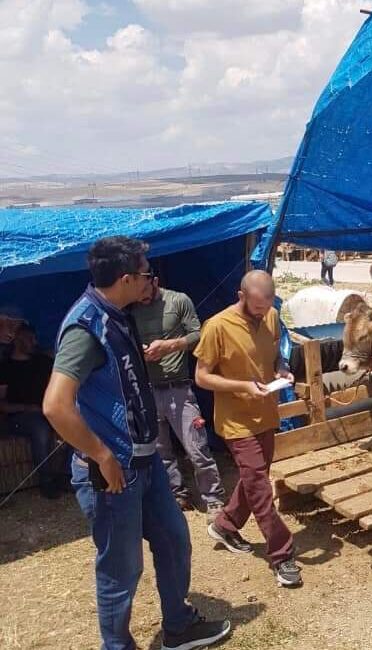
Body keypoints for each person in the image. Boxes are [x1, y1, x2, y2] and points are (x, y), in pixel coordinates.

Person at [43, 236, 230, 650]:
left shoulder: (119, 313)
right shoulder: (86, 327)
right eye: (146, 274)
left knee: (174, 540)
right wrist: (101, 454)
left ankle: (178, 627)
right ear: (126, 278)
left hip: (146, 464)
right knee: (121, 569)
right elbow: (55, 405)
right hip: (114, 475)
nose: (151, 280)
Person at [194, 270, 302, 587]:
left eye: (266, 307)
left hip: (265, 414)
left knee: (252, 478)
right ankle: (282, 554)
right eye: (256, 308)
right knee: (259, 484)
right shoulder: (216, 326)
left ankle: (225, 524)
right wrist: (242, 385)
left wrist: (282, 369)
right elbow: (202, 377)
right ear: (241, 296)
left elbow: (274, 358)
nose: (262, 314)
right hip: (235, 420)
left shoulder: (271, 316)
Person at [132, 276, 225, 520]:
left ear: (154, 281)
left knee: (197, 448)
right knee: (161, 451)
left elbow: (198, 334)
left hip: (179, 389)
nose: (141, 297)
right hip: (148, 390)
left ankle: (213, 499)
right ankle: (178, 494)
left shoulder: (178, 300)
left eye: (144, 291)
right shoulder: (130, 307)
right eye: (136, 293)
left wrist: (169, 346)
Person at [0, 322, 62, 498]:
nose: (34, 342)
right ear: (17, 340)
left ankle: (67, 474)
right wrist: (28, 407)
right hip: (19, 418)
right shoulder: (5, 367)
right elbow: (2, 404)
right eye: (29, 338)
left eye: (35, 338)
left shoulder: (44, 362)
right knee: (39, 427)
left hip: (49, 410)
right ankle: (46, 481)